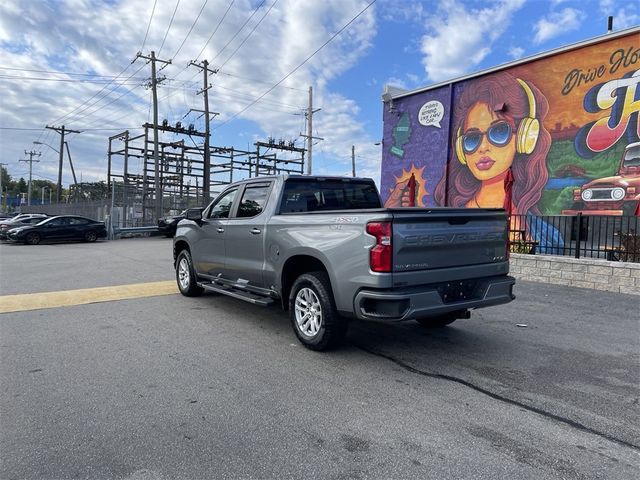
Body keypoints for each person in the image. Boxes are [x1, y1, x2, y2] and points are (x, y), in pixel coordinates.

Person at [434, 71, 563, 253]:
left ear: (524, 137)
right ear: (461, 149)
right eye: (472, 138)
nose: (483, 147)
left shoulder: (546, 234)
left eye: (499, 131)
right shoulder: (449, 218)